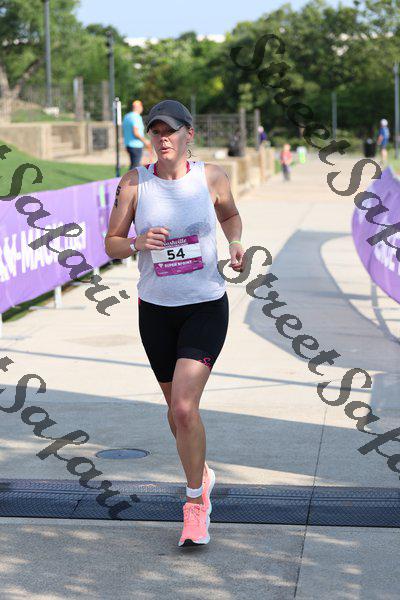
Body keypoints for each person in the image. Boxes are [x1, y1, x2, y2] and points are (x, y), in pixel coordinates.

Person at [104, 99, 245, 547]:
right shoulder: (134, 183)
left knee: (184, 407)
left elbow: (229, 215)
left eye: (171, 130)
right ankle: (201, 472)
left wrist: (235, 243)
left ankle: (195, 503)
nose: (163, 138)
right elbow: (111, 243)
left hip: (205, 305)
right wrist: (137, 242)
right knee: (176, 412)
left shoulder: (211, 177)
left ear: (189, 134)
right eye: (156, 131)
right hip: (156, 311)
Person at [122, 99, 152, 169]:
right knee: (135, 167)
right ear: (139, 107)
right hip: (136, 145)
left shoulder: (127, 116)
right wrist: (145, 141)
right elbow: (136, 132)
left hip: (128, 144)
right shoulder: (136, 117)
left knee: (133, 165)